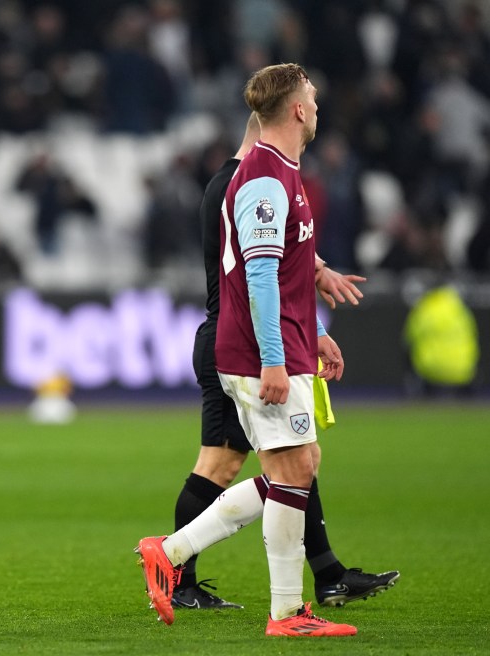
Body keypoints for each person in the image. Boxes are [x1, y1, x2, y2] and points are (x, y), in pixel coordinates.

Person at [136, 63, 365, 637]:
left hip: (283, 343)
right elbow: (259, 276)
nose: (316, 105)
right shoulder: (265, 177)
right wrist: (272, 358)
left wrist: (309, 335)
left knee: (299, 469)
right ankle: (283, 611)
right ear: (296, 110)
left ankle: (175, 553)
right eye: (312, 96)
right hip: (257, 351)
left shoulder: (279, 171)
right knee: (287, 472)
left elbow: (282, 267)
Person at [169, 113, 399, 611]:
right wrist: (305, 333)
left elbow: (286, 256)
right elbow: (263, 266)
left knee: (296, 461)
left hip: (243, 338)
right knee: (241, 464)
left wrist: (315, 295)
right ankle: (176, 569)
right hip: (243, 342)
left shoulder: (245, 179)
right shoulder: (248, 179)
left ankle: (326, 574)